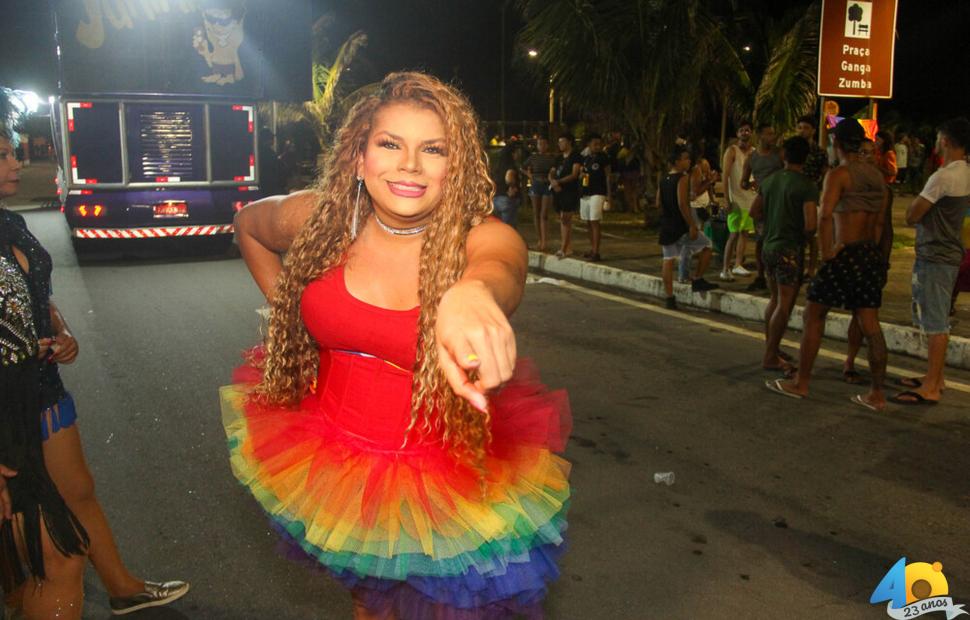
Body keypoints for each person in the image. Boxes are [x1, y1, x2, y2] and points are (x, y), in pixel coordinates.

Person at [225, 72, 571, 618]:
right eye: (390, 144)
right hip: (333, 459)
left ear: (453, 168)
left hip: (439, 474)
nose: (409, 165)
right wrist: (289, 316)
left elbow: (502, 263)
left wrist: (474, 292)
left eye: (432, 150)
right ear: (359, 158)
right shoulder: (319, 219)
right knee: (370, 600)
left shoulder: (472, 239)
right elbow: (248, 225)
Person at [0, 129, 188, 618]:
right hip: (5, 412)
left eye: (12, 151)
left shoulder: (9, 223)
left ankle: (122, 587)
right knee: (55, 557)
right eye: (2, 155)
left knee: (76, 492)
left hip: (40, 389)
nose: (17, 161)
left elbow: (32, 293)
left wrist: (59, 330)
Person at [766, 119, 890, 412]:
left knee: (814, 315)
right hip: (869, 254)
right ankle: (877, 394)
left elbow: (824, 216)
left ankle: (802, 383)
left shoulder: (839, 175)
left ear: (837, 144)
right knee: (870, 323)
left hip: (843, 254)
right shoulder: (878, 177)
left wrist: (827, 252)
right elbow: (881, 223)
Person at [891, 117, 970, 405]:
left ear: (946, 141)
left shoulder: (943, 177)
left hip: (936, 255)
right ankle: (934, 377)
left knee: (936, 322)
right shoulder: (965, 173)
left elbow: (913, 214)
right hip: (950, 253)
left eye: (938, 138)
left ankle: (932, 387)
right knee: (940, 319)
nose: (936, 143)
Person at [749, 136, 818, 376]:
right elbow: (810, 225)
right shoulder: (806, 186)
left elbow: (754, 211)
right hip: (789, 248)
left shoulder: (770, 181)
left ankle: (772, 347)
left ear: (783, 156)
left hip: (768, 246)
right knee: (785, 304)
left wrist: (772, 223)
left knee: (775, 299)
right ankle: (770, 355)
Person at [842, 137, 894, 385]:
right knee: (857, 313)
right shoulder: (847, 183)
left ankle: (864, 372)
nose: (868, 157)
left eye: (872, 152)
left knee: (865, 316)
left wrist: (883, 258)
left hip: (872, 257)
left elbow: (886, 227)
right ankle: (850, 361)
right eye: (863, 152)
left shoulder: (884, 189)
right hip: (850, 254)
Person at [657, 145, 718, 309]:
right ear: (677, 162)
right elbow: (683, 203)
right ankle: (697, 278)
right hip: (680, 225)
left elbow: (658, 202)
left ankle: (669, 296)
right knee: (707, 245)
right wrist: (691, 224)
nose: (688, 161)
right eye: (685, 158)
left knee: (668, 260)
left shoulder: (663, 179)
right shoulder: (682, 178)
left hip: (667, 225)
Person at [740, 123, 784, 291]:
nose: (772, 137)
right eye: (768, 134)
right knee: (761, 241)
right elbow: (743, 182)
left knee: (777, 241)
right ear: (759, 136)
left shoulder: (779, 154)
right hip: (763, 203)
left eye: (773, 134)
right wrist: (753, 184)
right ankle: (761, 275)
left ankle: (775, 275)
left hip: (779, 203)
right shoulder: (752, 158)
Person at [721, 121, 757, 281]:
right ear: (737, 134)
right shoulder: (732, 151)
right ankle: (724, 268)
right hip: (735, 198)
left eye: (747, 130)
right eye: (742, 130)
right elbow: (725, 175)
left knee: (745, 233)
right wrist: (726, 199)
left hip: (750, 198)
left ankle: (738, 265)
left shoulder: (754, 152)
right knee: (733, 234)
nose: (745, 133)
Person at [678, 142, 719, 283]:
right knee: (692, 243)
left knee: (693, 243)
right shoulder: (695, 169)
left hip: (699, 207)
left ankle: (686, 273)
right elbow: (695, 192)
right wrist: (710, 181)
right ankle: (685, 274)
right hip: (695, 207)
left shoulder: (693, 169)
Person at [796, 114, 829, 277]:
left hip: (811, 196)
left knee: (811, 234)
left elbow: (825, 174)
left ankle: (811, 268)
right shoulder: (792, 148)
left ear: (813, 131)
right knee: (797, 235)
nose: (802, 131)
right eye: (800, 127)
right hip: (794, 195)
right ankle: (798, 266)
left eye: (806, 128)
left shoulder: (819, 152)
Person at [579, 133, 612, 261]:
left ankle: (596, 251)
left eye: (599, 144)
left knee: (595, 221)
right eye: (595, 144)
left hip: (598, 192)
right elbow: (582, 172)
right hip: (586, 192)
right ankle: (592, 248)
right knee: (588, 221)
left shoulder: (603, 158)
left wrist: (609, 195)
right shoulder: (586, 158)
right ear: (589, 145)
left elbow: (608, 176)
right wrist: (581, 175)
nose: (597, 147)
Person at [550, 133, 583, 258]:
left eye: (562, 141)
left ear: (569, 142)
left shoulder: (575, 156)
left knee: (566, 217)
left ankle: (564, 248)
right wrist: (553, 182)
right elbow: (552, 172)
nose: (560, 144)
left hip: (570, 190)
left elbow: (574, 174)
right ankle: (567, 246)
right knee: (562, 219)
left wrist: (559, 182)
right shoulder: (558, 158)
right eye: (559, 142)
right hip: (558, 191)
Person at [522, 136, 557, 251]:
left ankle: (545, 241)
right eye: (539, 144)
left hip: (547, 185)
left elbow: (555, 169)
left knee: (544, 214)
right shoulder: (533, 157)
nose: (541, 146)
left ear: (547, 145)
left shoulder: (552, 158)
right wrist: (530, 175)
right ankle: (539, 239)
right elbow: (522, 167)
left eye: (543, 144)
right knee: (536, 213)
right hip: (536, 184)